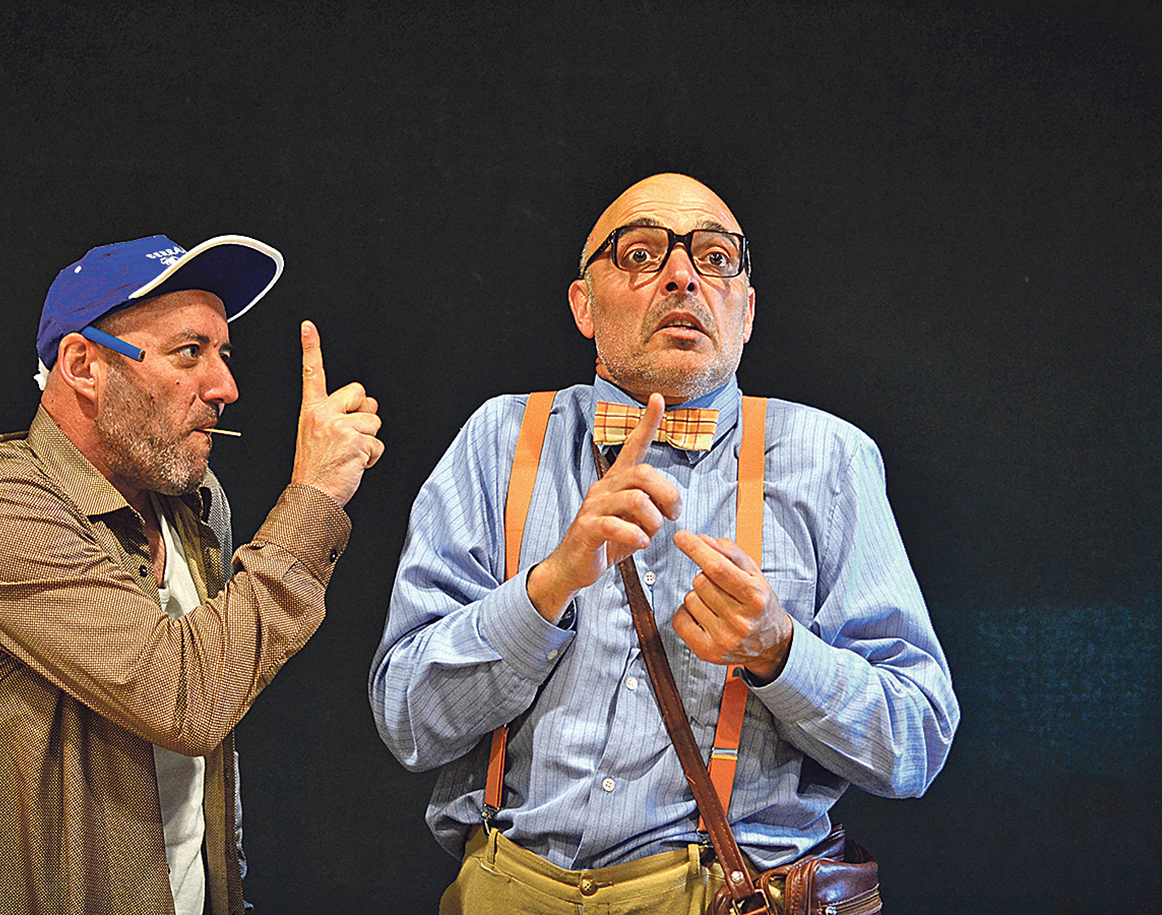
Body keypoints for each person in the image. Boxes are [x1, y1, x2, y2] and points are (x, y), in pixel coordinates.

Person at [369, 174, 959, 913]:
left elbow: (914, 742)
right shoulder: (499, 441)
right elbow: (407, 720)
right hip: (505, 889)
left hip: (725, 897)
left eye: (715, 258)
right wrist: (546, 588)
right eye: (641, 253)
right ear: (584, 305)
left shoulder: (831, 459)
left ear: (747, 310)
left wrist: (781, 652)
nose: (682, 274)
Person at [0, 233, 383, 915]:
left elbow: (204, 768)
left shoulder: (198, 504)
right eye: (189, 352)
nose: (226, 388)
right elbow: (186, 698)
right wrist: (313, 498)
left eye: (224, 354)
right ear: (84, 365)